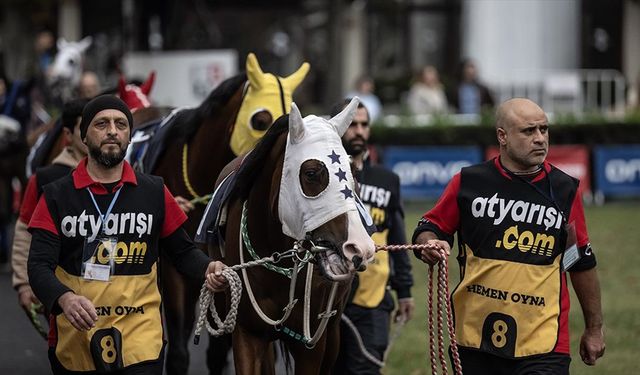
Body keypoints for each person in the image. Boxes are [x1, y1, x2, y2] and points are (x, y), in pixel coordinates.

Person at [27, 94, 229, 374]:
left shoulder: (155, 191)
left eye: (121, 124)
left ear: (129, 136)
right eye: (101, 124)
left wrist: (209, 267)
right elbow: (38, 266)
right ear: (83, 136)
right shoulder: (55, 196)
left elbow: (183, 252)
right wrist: (65, 298)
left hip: (141, 339)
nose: (112, 130)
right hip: (76, 337)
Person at [413, 98, 605, 375]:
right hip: (473, 337)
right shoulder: (468, 182)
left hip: (544, 342)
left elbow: (580, 262)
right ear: (502, 136)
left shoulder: (566, 190)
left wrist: (594, 328)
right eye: (528, 131)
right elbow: (429, 226)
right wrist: (428, 243)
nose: (540, 139)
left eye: (544, 129)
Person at [331, 99, 414, 374]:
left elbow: (397, 238)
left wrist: (404, 291)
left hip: (373, 299)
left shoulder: (387, 180)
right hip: (328, 297)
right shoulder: (322, 179)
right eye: (351, 124)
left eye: (364, 124)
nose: (358, 131)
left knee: (365, 370)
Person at [12, 98, 89, 318]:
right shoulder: (45, 179)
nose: (98, 133)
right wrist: (24, 284)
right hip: (62, 295)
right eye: (87, 126)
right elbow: (24, 230)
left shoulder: (130, 180)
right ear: (68, 135)